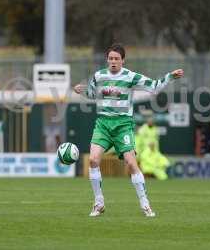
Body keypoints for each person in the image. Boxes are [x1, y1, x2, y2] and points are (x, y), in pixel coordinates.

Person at [74, 44, 183, 217]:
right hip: (103, 123)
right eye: (111, 58)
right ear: (107, 60)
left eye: (117, 58)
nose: (113, 61)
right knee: (93, 160)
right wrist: (82, 91)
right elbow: (93, 94)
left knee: (131, 164)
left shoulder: (131, 77)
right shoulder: (99, 75)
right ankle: (98, 203)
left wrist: (170, 77)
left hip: (122, 125)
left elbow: (154, 87)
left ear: (123, 60)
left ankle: (145, 204)